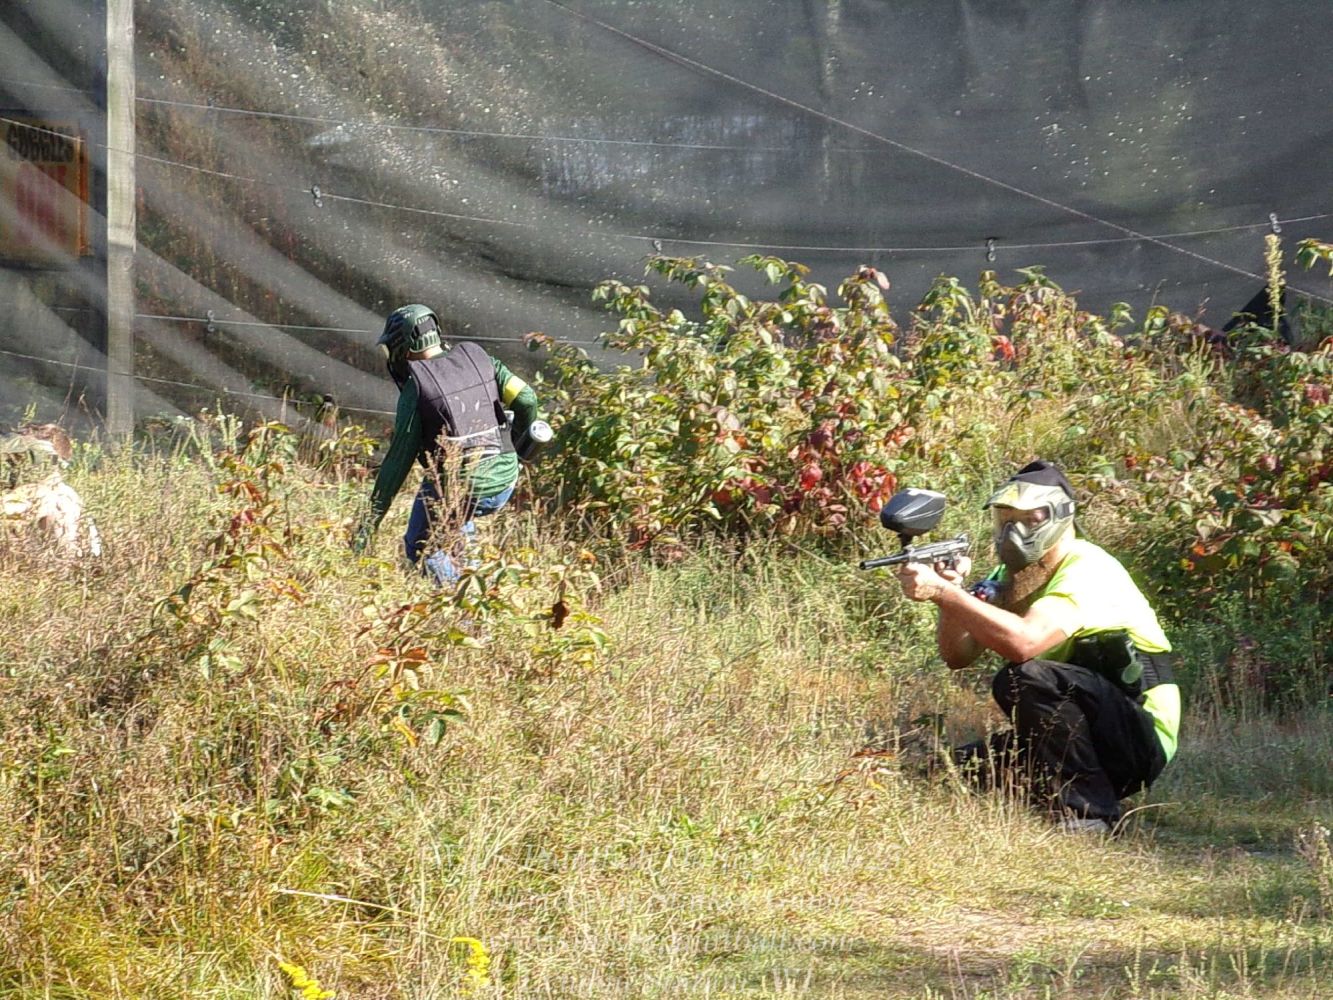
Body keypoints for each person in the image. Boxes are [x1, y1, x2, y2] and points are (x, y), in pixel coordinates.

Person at [895, 460, 1180, 835]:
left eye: (1029, 518)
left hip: (1137, 740)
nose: (1014, 531)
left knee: (1025, 677)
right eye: (1006, 519)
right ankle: (1057, 794)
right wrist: (949, 595)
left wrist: (945, 592)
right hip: (1084, 740)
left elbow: (1024, 643)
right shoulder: (1014, 576)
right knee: (948, 774)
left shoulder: (1088, 567)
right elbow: (957, 656)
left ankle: (1089, 815)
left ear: (1061, 516)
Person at [351, 304, 540, 584]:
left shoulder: (417, 388)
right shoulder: (478, 357)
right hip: (505, 479)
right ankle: (474, 583)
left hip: (461, 487)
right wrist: (521, 446)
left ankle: (462, 604)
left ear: (403, 348)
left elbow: (396, 466)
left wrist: (368, 526)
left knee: (422, 548)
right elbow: (526, 398)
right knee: (455, 517)